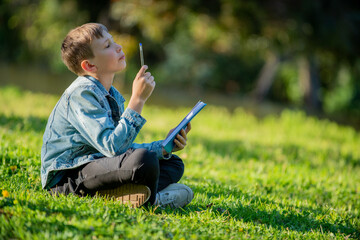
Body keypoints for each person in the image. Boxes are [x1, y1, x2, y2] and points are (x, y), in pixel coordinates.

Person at [41, 23, 194, 208]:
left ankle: (124, 195)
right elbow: (114, 148)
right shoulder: (81, 94)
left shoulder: (111, 94)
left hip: (96, 166)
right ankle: (154, 201)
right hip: (67, 179)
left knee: (173, 163)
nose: (118, 47)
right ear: (90, 65)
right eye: (107, 46)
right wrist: (137, 100)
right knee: (144, 160)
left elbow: (119, 148)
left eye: (113, 41)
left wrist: (164, 146)